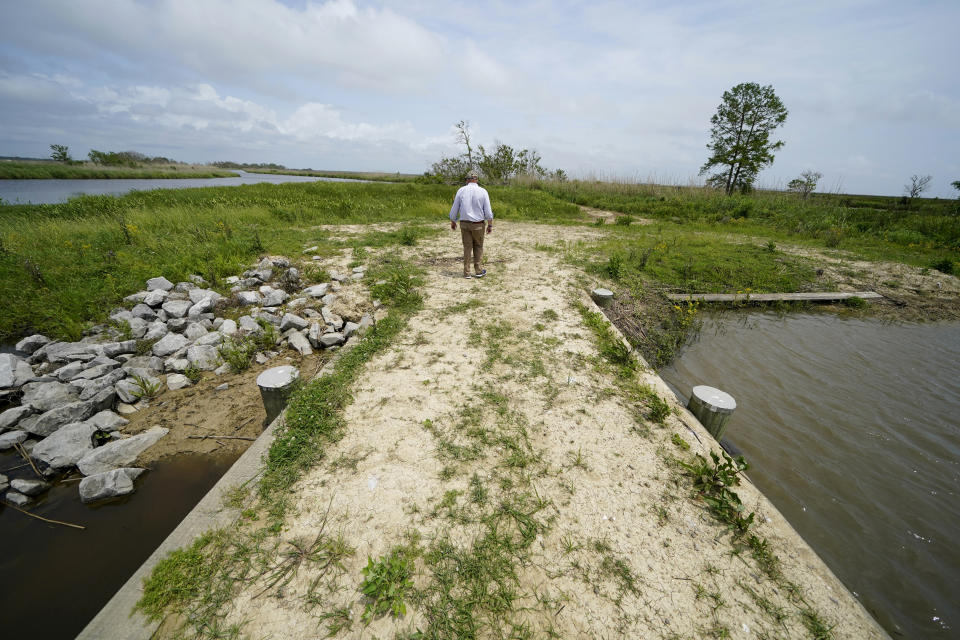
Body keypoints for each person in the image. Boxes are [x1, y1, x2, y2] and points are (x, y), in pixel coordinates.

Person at [449, 170, 493, 278]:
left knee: (467, 247)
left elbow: (455, 208)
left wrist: (453, 220)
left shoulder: (461, 190)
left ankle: (467, 272)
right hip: (478, 224)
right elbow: (488, 211)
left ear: (467, 180)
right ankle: (478, 271)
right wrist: (490, 224)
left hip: (464, 223)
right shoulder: (483, 191)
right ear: (476, 180)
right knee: (478, 246)